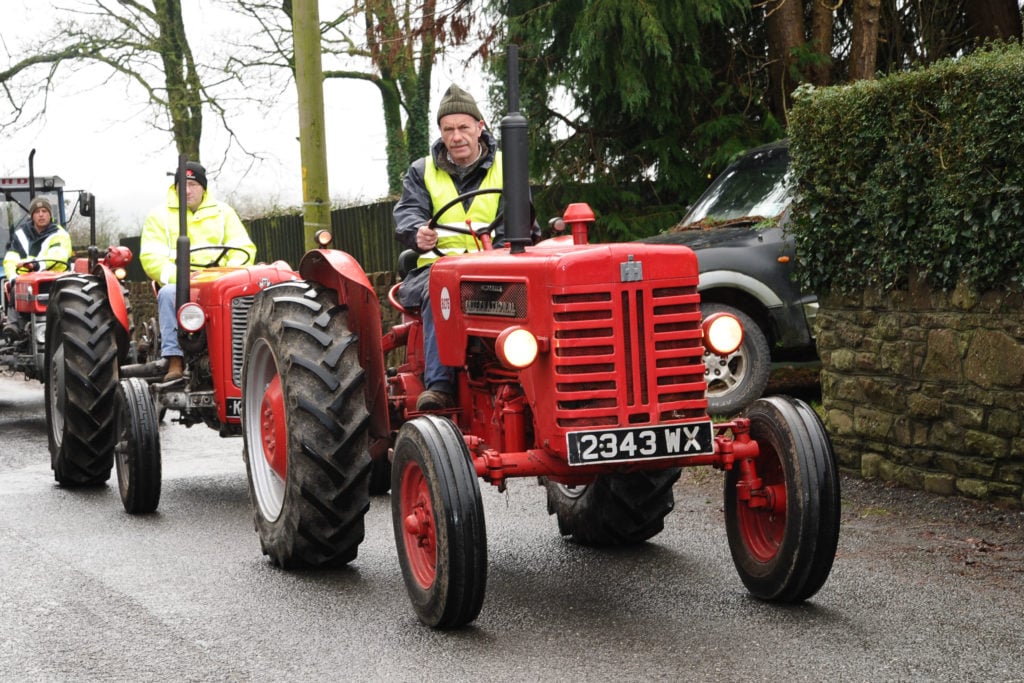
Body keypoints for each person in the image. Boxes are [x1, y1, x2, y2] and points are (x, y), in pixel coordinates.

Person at [393, 84, 538, 411]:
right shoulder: (422, 171)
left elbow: (523, 222)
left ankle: (526, 379)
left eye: (463, 128)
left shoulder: (507, 167)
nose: (456, 137)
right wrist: (418, 232)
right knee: (440, 288)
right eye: (448, 130)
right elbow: (408, 212)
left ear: (479, 127)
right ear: (441, 133)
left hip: (497, 267)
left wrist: (498, 257)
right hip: (437, 270)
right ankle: (440, 385)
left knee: (528, 295)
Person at [140, 161, 256, 382]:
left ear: (203, 187)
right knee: (168, 294)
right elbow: (151, 258)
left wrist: (228, 274)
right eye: (181, 185)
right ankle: (175, 359)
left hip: (220, 280)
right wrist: (183, 278)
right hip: (183, 282)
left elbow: (244, 249)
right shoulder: (159, 216)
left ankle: (245, 357)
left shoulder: (224, 213)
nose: (186, 190)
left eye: (192, 184)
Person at [3, 196, 72, 339]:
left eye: (44, 211)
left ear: (50, 214)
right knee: (16, 285)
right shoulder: (20, 235)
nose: (41, 214)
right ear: (32, 215)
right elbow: (11, 259)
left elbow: (58, 256)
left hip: (53, 281)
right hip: (26, 281)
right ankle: (15, 326)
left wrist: (35, 265)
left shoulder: (60, 235)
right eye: (37, 211)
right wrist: (14, 277)